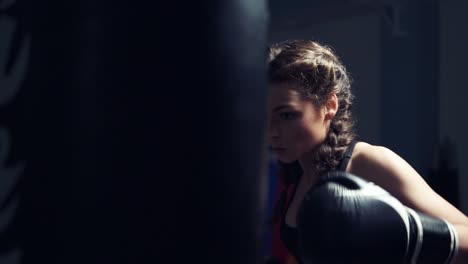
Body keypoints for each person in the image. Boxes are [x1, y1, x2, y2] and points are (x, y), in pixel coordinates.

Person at [266, 39, 468, 263]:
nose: (272, 132)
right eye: (265, 117)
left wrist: (410, 234)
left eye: (286, 115)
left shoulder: (368, 162)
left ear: (329, 106)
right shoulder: (293, 178)